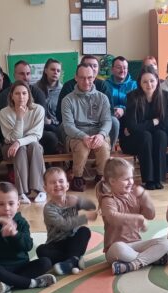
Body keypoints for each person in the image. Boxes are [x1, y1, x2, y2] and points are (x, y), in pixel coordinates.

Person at [0, 182, 56, 293]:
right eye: (1, 204)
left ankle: (10, 284)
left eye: (11, 204)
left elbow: (28, 246)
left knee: (46, 262)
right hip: (1, 268)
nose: (7, 208)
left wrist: (15, 234)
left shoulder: (21, 222)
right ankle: (32, 283)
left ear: (18, 204)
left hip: (22, 266)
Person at [98, 158, 168, 275]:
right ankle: (152, 258)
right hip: (115, 249)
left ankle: (133, 264)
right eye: (126, 179)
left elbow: (150, 215)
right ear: (112, 181)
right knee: (119, 248)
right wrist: (138, 219)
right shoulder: (107, 200)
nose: (131, 182)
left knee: (165, 243)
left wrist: (144, 196)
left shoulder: (134, 195)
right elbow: (113, 218)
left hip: (136, 244)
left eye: (131, 178)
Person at [61, 63, 113, 192]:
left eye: (89, 77)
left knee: (103, 146)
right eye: (82, 78)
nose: (86, 81)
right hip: (76, 135)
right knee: (82, 147)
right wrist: (83, 136)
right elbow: (68, 126)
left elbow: (107, 121)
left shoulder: (103, 98)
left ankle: (101, 177)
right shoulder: (67, 100)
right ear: (76, 78)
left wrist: (101, 135)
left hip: (98, 133)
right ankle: (78, 177)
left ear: (94, 77)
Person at [120, 67, 168, 190]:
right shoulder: (132, 96)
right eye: (145, 81)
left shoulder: (163, 95)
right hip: (133, 141)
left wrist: (144, 125)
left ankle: (158, 178)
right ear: (139, 83)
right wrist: (153, 122)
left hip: (153, 138)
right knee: (146, 136)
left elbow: (164, 123)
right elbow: (132, 127)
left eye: (152, 80)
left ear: (157, 81)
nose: (149, 85)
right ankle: (148, 180)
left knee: (161, 135)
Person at [37, 167, 97, 276]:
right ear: (45, 188)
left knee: (84, 231)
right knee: (41, 250)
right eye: (52, 182)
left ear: (67, 185)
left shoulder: (72, 200)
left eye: (61, 181)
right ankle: (74, 259)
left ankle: (71, 261)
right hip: (56, 243)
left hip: (73, 241)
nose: (57, 184)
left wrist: (79, 201)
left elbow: (92, 206)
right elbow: (64, 225)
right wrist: (84, 218)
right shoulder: (48, 209)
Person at [0, 81, 47, 204]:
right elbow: (12, 138)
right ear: (12, 96)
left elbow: (36, 135)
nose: (21, 97)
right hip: (10, 147)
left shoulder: (38, 109)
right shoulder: (4, 113)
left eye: (24, 93)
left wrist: (19, 142)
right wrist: (19, 118)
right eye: (17, 93)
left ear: (29, 95)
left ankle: (40, 189)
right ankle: (21, 193)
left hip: (30, 145)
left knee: (35, 146)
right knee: (21, 149)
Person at [57, 54, 118, 148]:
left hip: (98, 125)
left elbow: (109, 112)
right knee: (62, 126)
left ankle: (109, 149)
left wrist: (100, 134)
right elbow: (60, 114)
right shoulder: (68, 86)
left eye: (94, 66)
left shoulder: (103, 85)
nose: (91, 68)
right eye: (88, 65)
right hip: (76, 125)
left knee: (114, 121)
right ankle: (69, 153)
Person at [33, 58, 64, 153]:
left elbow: (63, 113)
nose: (55, 72)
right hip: (38, 125)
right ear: (46, 70)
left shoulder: (62, 90)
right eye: (53, 69)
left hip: (56, 125)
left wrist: (52, 121)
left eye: (58, 71)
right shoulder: (35, 89)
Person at [106, 56, 137, 120]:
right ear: (112, 69)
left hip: (130, 118)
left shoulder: (134, 85)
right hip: (110, 117)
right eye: (119, 67)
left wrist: (123, 110)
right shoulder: (105, 85)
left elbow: (137, 105)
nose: (122, 70)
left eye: (125, 68)